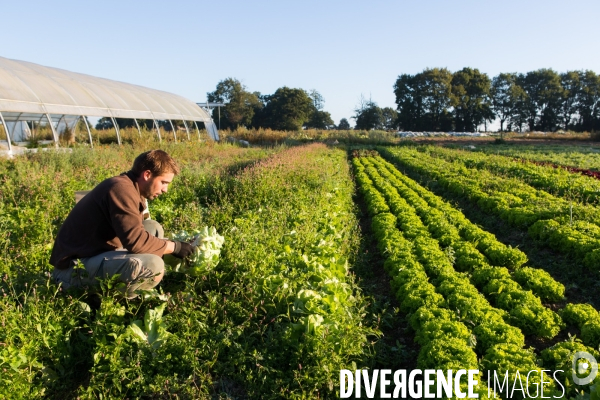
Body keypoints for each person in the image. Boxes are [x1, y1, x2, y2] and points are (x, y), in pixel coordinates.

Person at [50, 149, 196, 298]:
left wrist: (170, 245)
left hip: (92, 254)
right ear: (147, 175)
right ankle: (118, 305)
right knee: (153, 265)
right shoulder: (122, 189)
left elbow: (137, 235)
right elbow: (136, 242)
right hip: (72, 270)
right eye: (163, 182)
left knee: (153, 228)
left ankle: (122, 288)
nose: (165, 190)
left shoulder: (131, 187)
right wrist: (175, 247)